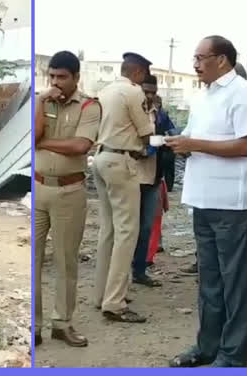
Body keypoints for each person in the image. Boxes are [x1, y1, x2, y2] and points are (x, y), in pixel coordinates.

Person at [166, 36, 247, 368]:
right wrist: (181, 143)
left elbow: (243, 146)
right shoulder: (203, 95)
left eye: (200, 57)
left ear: (221, 60)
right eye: (194, 58)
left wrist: (194, 142)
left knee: (235, 281)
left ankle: (234, 353)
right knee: (210, 279)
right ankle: (207, 346)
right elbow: (200, 140)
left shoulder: (242, 93)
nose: (194, 64)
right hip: (204, 198)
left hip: (233, 201)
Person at [34, 50, 101, 348]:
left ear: (76, 77)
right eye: (52, 76)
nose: (56, 82)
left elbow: (79, 146)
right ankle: (33, 327)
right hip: (38, 189)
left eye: (62, 77)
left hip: (69, 192)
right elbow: (31, 134)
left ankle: (62, 324)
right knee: (32, 260)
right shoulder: (42, 102)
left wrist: (43, 142)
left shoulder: (89, 106)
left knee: (65, 261)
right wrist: (38, 100)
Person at [92, 52, 154, 323]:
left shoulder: (104, 91)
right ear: (138, 73)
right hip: (122, 162)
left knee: (108, 230)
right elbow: (146, 132)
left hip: (101, 158)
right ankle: (114, 302)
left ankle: (102, 294)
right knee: (127, 231)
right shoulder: (133, 92)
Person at [131, 74, 163, 287]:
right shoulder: (132, 112)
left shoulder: (158, 113)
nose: (149, 95)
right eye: (146, 91)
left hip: (153, 176)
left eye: (153, 91)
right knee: (128, 227)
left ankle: (139, 270)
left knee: (145, 227)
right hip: (133, 175)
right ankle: (123, 271)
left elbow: (167, 133)